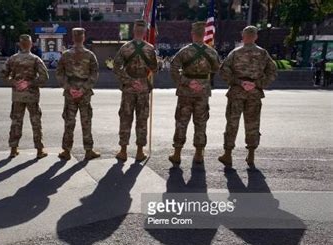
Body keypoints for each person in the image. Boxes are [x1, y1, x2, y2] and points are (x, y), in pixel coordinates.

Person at [218, 26, 277, 167]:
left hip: (237, 92)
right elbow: (273, 71)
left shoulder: (235, 52)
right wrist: (258, 84)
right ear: (256, 37)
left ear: (243, 36)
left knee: (232, 123)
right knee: (252, 124)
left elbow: (224, 70)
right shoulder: (263, 53)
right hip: (254, 93)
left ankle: (228, 154)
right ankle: (251, 155)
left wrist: (239, 82)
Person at [168, 21, 220, 165]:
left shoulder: (184, 51)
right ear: (204, 34)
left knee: (181, 122)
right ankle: (198, 154)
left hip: (186, 92)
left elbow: (173, 68)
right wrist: (203, 81)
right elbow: (216, 68)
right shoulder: (211, 52)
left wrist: (184, 81)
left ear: (192, 34)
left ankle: (177, 154)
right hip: (202, 93)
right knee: (201, 123)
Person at [113, 19, 158, 161]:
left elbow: (116, 67)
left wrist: (129, 81)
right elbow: (155, 68)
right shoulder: (150, 48)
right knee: (142, 119)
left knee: (126, 118)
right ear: (145, 31)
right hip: (143, 88)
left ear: (133, 30)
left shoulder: (125, 48)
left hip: (129, 89)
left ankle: (123, 151)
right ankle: (139, 151)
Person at [1, 34, 49, 159]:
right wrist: (30, 83)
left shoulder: (12, 59)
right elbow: (44, 77)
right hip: (32, 96)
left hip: (17, 96)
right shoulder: (35, 59)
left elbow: (3, 74)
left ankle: (13, 149)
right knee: (35, 122)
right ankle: (39, 149)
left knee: (16, 121)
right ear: (31, 44)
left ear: (19, 44)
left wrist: (15, 83)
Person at [56, 28, 101, 161]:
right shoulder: (90, 55)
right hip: (84, 93)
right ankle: (88, 151)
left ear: (72, 37)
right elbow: (94, 74)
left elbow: (59, 73)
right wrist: (83, 88)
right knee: (86, 121)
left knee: (69, 122)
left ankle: (66, 151)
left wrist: (69, 87)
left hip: (70, 93)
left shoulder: (65, 55)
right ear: (83, 37)